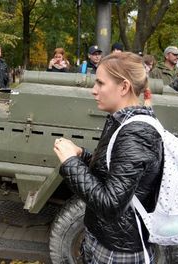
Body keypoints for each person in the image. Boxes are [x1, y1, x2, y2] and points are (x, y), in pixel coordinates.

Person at [54, 52, 163, 263]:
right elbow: (115, 173)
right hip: (108, 239)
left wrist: (70, 164)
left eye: (100, 83)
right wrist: (82, 156)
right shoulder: (122, 120)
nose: (94, 91)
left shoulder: (135, 133)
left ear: (123, 87)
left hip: (118, 251)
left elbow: (111, 205)